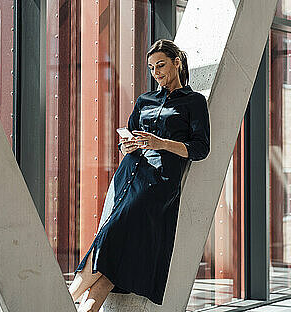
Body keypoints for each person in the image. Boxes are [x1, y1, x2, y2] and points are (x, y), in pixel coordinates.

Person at [68, 39, 211, 311]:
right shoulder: (145, 99)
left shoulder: (194, 102)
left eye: (161, 65)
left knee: (109, 237)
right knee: (117, 252)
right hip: (127, 177)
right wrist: (127, 144)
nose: (156, 72)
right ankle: (86, 307)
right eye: (151, 68)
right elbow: (129, 135)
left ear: (176, 62)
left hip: (157, 183)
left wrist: (161, 144)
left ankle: (63, 299)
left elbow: (200, 148)